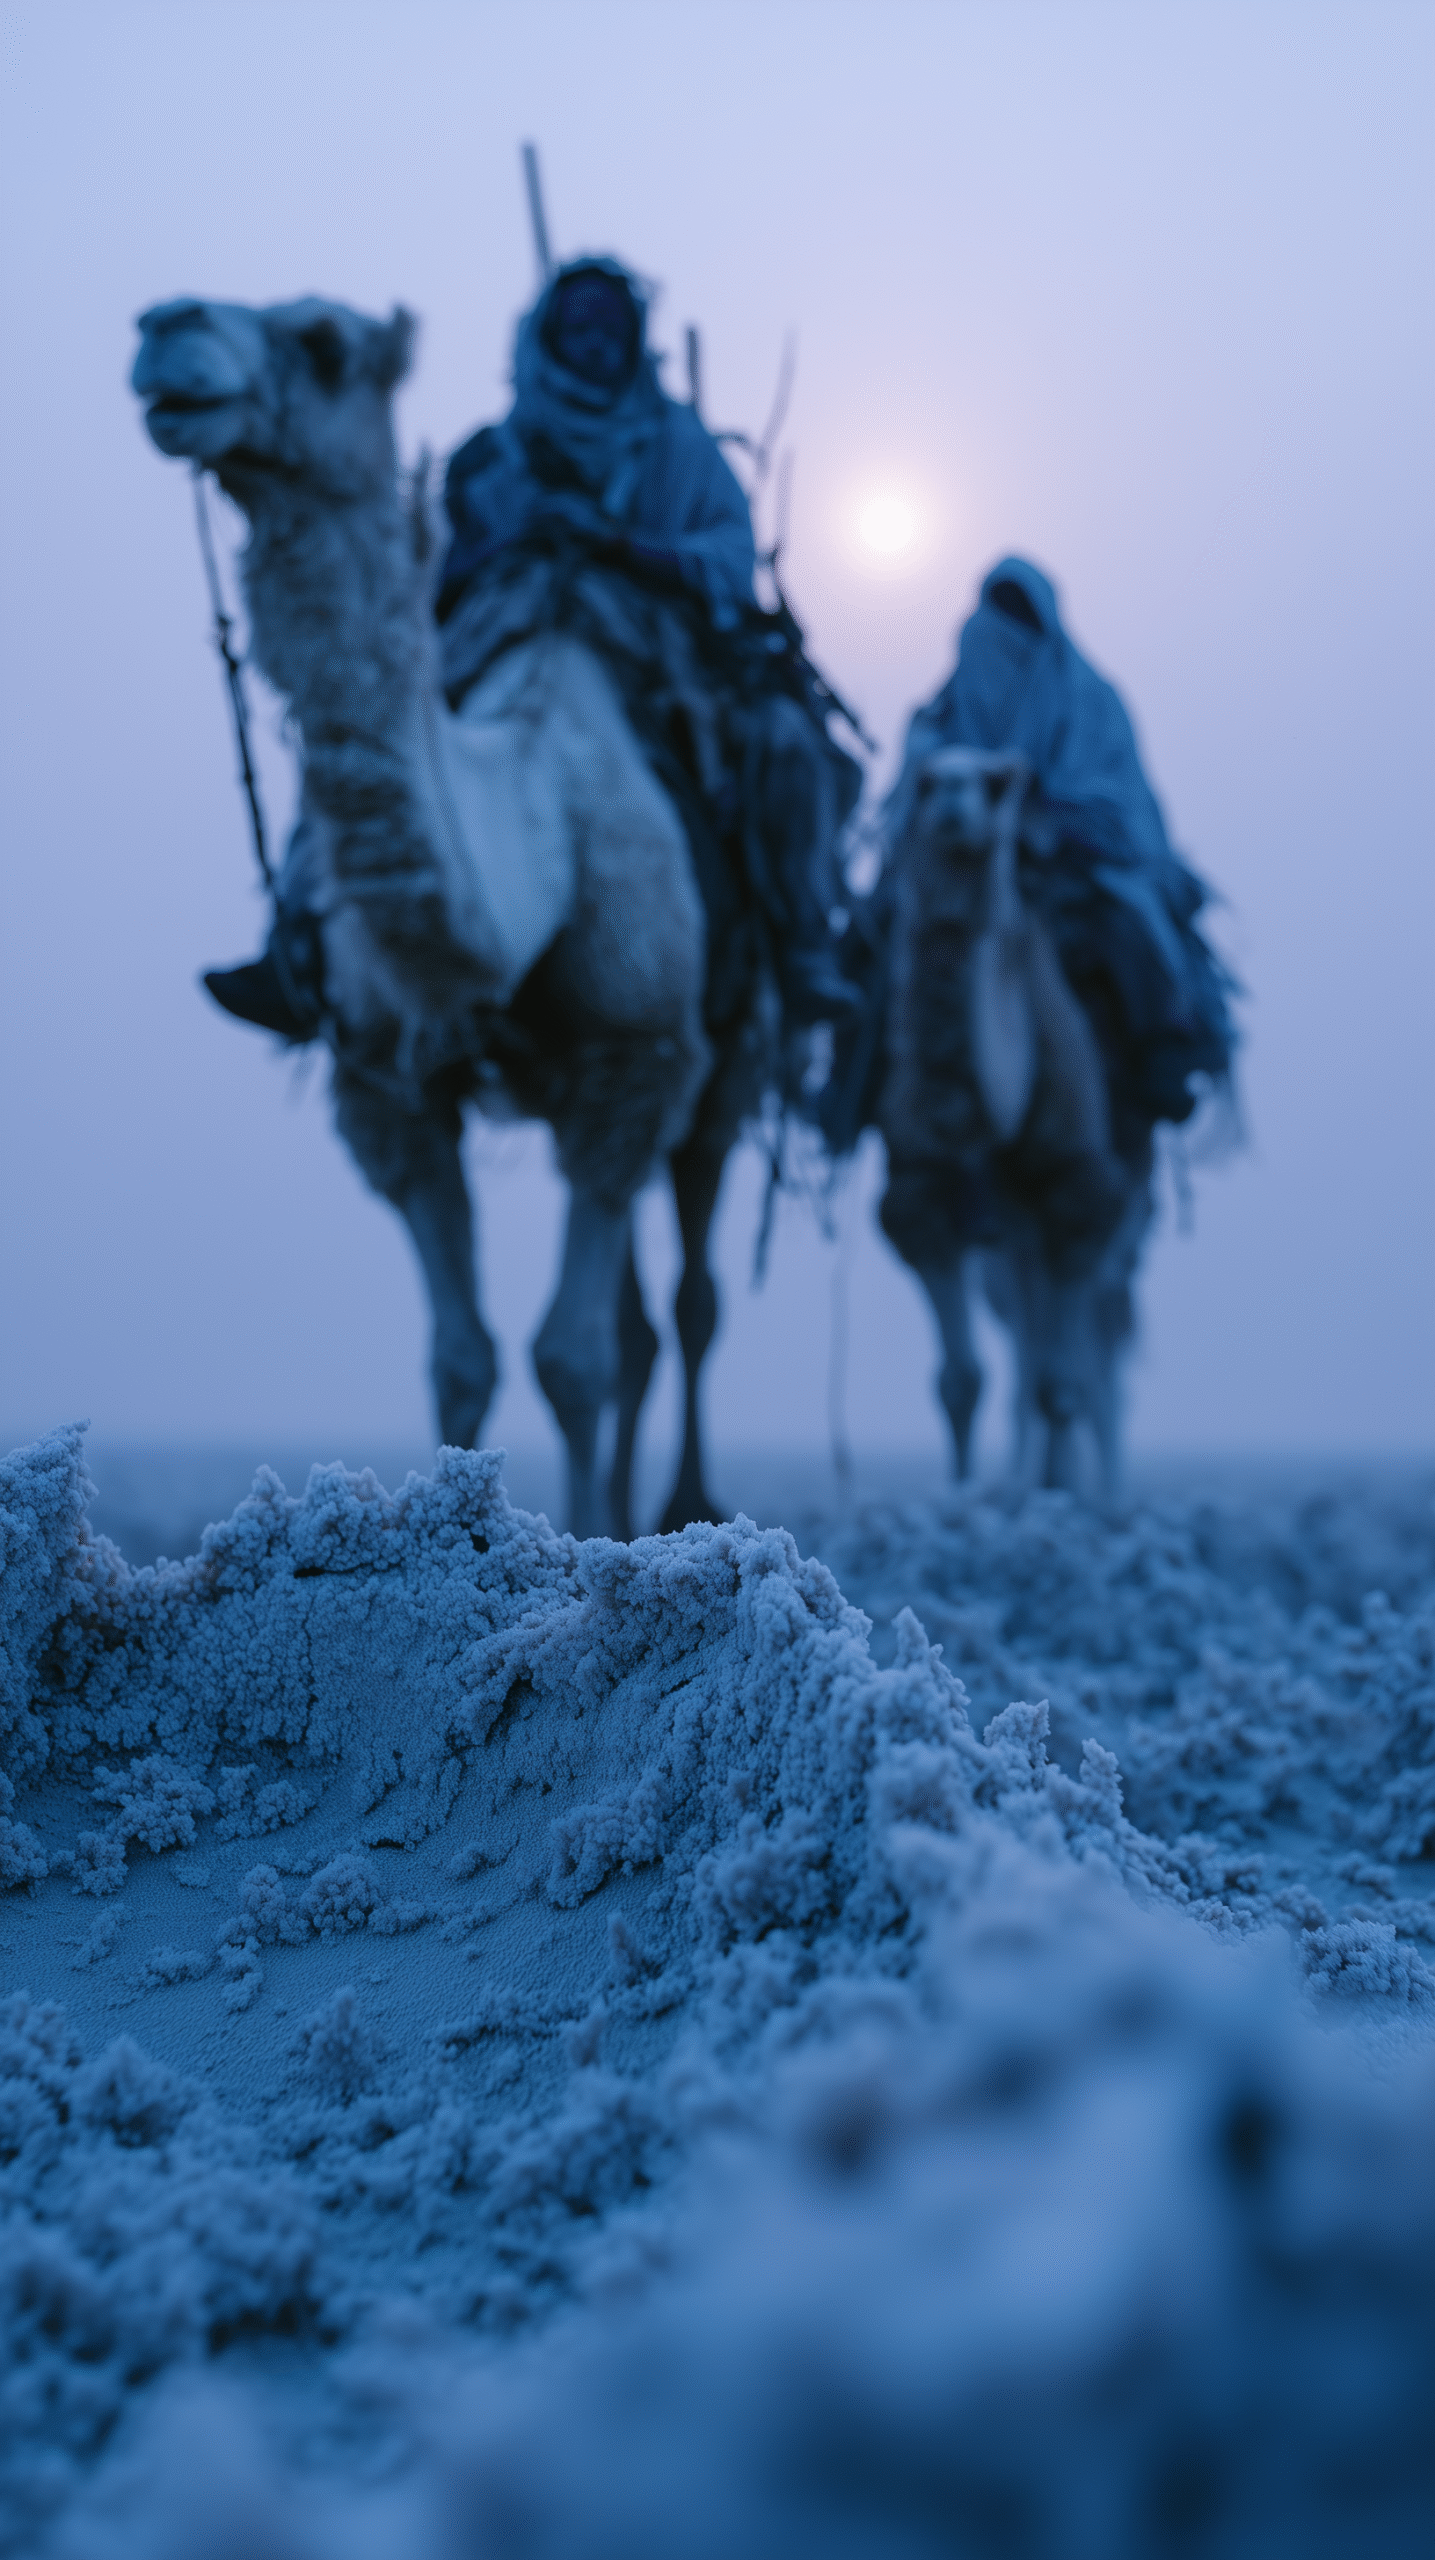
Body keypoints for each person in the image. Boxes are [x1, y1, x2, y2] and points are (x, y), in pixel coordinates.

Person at [208, 258, 859, 1039]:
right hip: (500, 626)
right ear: (548, 337)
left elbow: (728, 553)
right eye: (577, 325)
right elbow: (435, 568)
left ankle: (801, 942)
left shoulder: (677, 445)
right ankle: (299, 941)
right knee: (368, 743)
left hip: (654, 642)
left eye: (609, 326)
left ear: (634, 338)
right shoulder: (491, 457)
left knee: (786, 745)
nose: (593, 341)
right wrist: (512, 540)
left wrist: (614, 541)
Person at [881, 556, 1235, 1136]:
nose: (1004, 633)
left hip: (1078, 858)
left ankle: (1164, 1048)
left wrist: (1044, 808)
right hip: (964, 855)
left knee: (1128, 921)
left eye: (1019, 616)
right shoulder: (945, 707)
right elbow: (916, 786)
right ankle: (843, 1067)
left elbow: (1121, 804)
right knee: (881, 934)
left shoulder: (1093, 701)